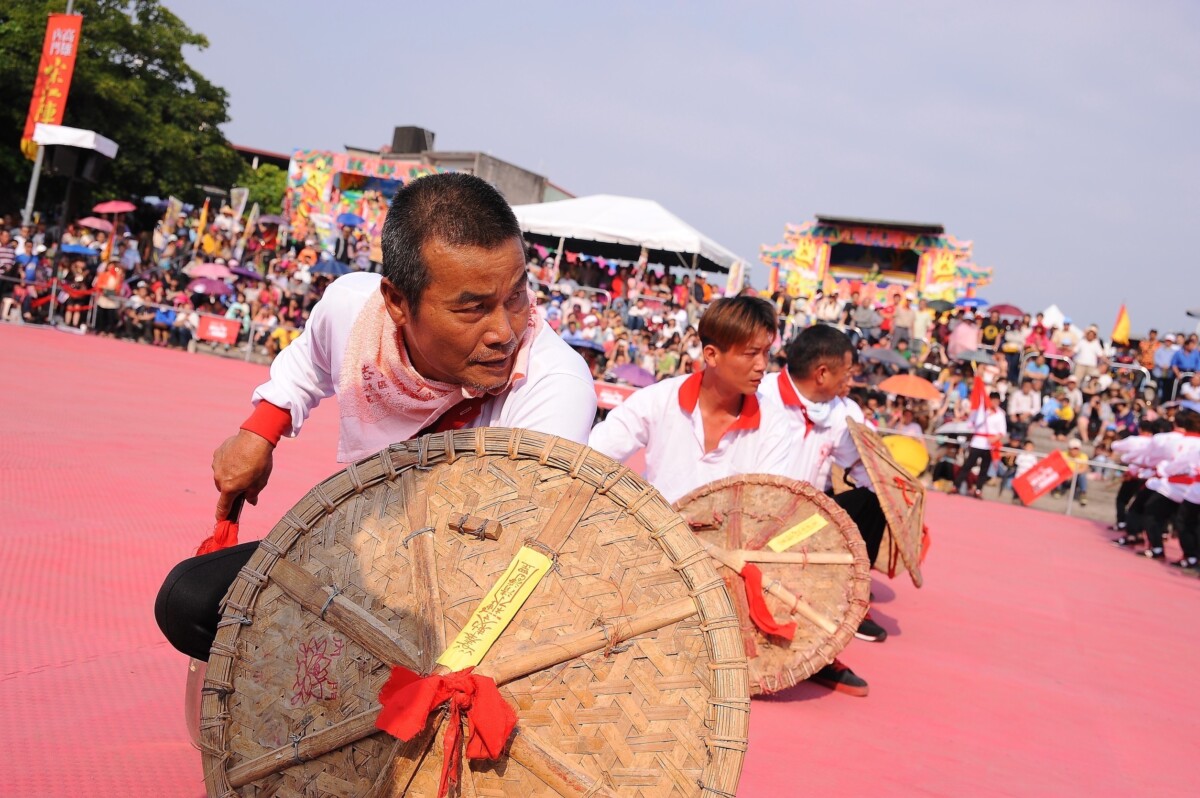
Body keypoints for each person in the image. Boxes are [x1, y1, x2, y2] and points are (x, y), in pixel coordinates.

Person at [157, 173, 598, 661]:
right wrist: (260, 431)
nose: (505, 332)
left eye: (516, 295)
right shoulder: (352, 308)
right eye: (472, 309)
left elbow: (506, 558)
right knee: (190, 599)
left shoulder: (556, 386)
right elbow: (308, 361)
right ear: (397, 303)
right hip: (366, 545)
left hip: (469, 585)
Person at [759, 325, 887, 694]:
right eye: (847, 374)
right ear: (822, 373)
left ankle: (849, 604)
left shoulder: (842, 411)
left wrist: (894, 492)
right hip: (755, 518)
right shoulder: (761, 394)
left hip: (805, 524)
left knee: (872, 498)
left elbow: (862, 469)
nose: (850, 382)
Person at [588, 296, 791, 505]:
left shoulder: (773, 424)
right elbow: (591, 457)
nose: (762, 365)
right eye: (751, 354)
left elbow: (766, 509)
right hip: (652, 534)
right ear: (711, 355)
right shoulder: (658, 400)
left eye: (766, 353)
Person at [953, 390, 1007, 499]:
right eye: (993, 400)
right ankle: (956, 485)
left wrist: (994, 438)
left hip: (989, 444)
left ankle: (978, 489)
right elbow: (970, 424)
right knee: (968, 465)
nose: (995, 403)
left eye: (997, 401)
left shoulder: (1000, 414)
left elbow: (1002, 431)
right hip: (978, 442)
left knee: (984, 468)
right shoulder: (981, 411)